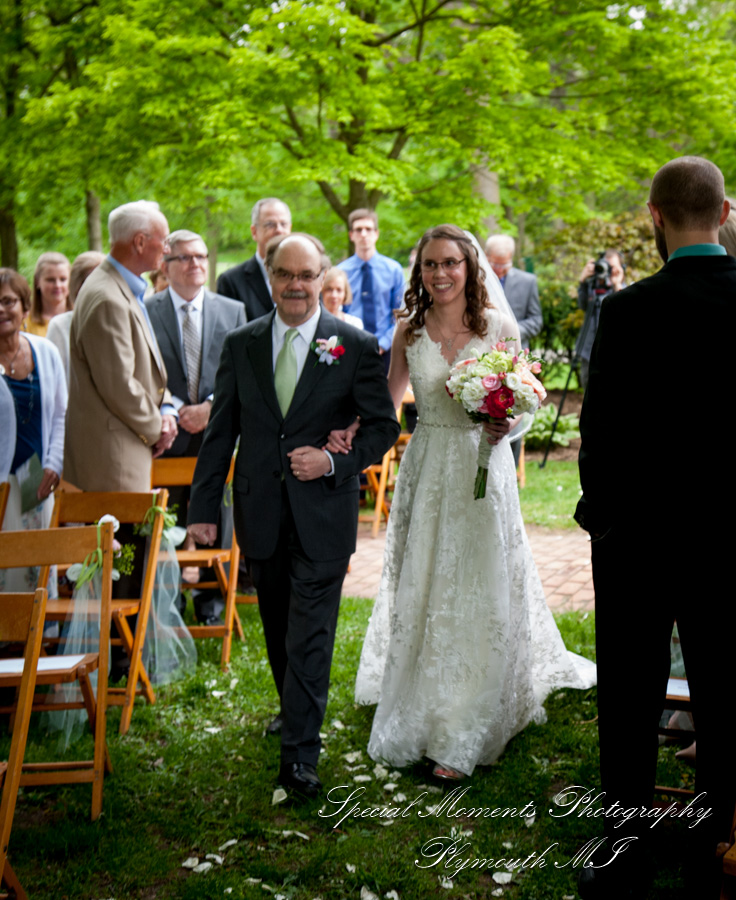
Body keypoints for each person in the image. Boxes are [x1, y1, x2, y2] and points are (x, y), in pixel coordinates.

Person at [349, 225, 593, 780]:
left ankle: (469, 719)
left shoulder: (498, 326)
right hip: (429, 467)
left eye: (451, 263)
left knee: (479, 582)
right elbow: (388, 404)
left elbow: (527, 401)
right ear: (420, 271)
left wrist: (503, 426)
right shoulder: (410, 330)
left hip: (486, 466)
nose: (440, 274)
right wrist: (349, 432)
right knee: (429, 580)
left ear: (470, 267)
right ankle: (422, 698)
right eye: (431, 264)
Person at [187, 232, 399, 798]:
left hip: (324, 516)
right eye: (286, 274)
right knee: (279, 629)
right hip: (259, 510)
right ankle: (293, 706)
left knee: (311, 634)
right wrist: (203, 508)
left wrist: (332, 460)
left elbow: (382, 428)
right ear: (271, 277)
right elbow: (221, 431)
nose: (297, 285)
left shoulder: (353, 345)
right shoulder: (242, 344)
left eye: (307, 275)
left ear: (323, 277)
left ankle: (300, 756)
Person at [575, 156, 735, 900]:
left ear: (655, 217)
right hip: (728, 542)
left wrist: (600, 520)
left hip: (637, 537)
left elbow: (600, 432)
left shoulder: (629, 310)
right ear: (724, 211)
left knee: (631, 695)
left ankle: (625, 842)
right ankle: (713, 840)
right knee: (725, 691)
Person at [146, 229, 245, 626]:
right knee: (164, 518)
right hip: (164, 435)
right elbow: (141, 371)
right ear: (166, 266)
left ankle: (211, 603)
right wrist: (170, 407)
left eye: (202, 256)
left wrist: (209, 407)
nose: (196, 264)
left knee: (215, 517)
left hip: (214, 432)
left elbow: (240, 373)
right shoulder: (145, 310)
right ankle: (167, 601)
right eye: (185, 257)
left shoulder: (231, 310)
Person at [64, 201, 177, 492]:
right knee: (125, 538)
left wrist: (166, 410)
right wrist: (158, 429)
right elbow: (119, 384)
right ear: (139, 242)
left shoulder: (121, 287)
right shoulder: (107, 298)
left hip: (123, 447)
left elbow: (142, 372)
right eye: (163, 240)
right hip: (114, 461)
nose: (166, 249)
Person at [0, 268, 66, 594]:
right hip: (0, 479)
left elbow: (60, 414)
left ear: (25, 307)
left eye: (8, 301)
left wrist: (54, 463)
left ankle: (37, 636)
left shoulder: (45, 352)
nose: (1, 309)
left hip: (34, 475)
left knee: (35, 566)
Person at [337, 209, 405, 372]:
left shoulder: (394, 270)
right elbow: (337, 312)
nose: (364, 234)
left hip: (387, 350)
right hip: (351, 348)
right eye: (359, 230)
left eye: (368, 229)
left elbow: (400, 313)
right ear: (351, 235)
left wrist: (383, 344)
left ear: (376, 233)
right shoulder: (341, 272)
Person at [216, 197, 292, 321]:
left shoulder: (307, 277)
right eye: (270, 224)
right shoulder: (231, 282)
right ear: (254, 232)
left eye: (283, 224)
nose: (279, 230)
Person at [46, 251, 105, 385]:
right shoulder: (60, 326)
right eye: (96, 281)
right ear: (78, 287)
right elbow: (54, 381)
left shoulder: (119, 322)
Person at [575, 249, 625, 388]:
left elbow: (624, 315)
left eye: (612, 267)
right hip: (588, 350)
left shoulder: (624, 290)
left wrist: (617, 285)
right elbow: (582, 305)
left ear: (621, 269)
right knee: (587, 389)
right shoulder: (591, 286)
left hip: (613, 352)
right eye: (604, 265)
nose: (607, 270)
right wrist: (583, 281)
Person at [485, 234, 543, 348]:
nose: (500, 269)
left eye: (505, 265)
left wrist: (512, 332)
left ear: (511, 257)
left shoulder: (527, 281)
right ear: (486, 256)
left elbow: (536, 320)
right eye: (495, 264)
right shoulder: (474, 280)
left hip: (516, 351)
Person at [25, 252, 71, 337]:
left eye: (63, 279)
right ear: (37, 282)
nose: (57, 285)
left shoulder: (79, 318)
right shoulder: (24, 322)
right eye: (50, 280)